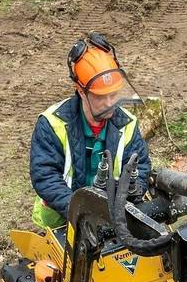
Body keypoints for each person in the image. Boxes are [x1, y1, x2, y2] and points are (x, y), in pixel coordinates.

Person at [29, 33, 152, 229]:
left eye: (113, 94)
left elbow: (141, 169)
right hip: (60, 219)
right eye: (101, 97)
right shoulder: (52, 124)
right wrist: (80, 212)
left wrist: (127, 198)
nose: (110, 103)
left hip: (110, 219)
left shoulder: (128, 125)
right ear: (81, 91)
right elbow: (45, 176)